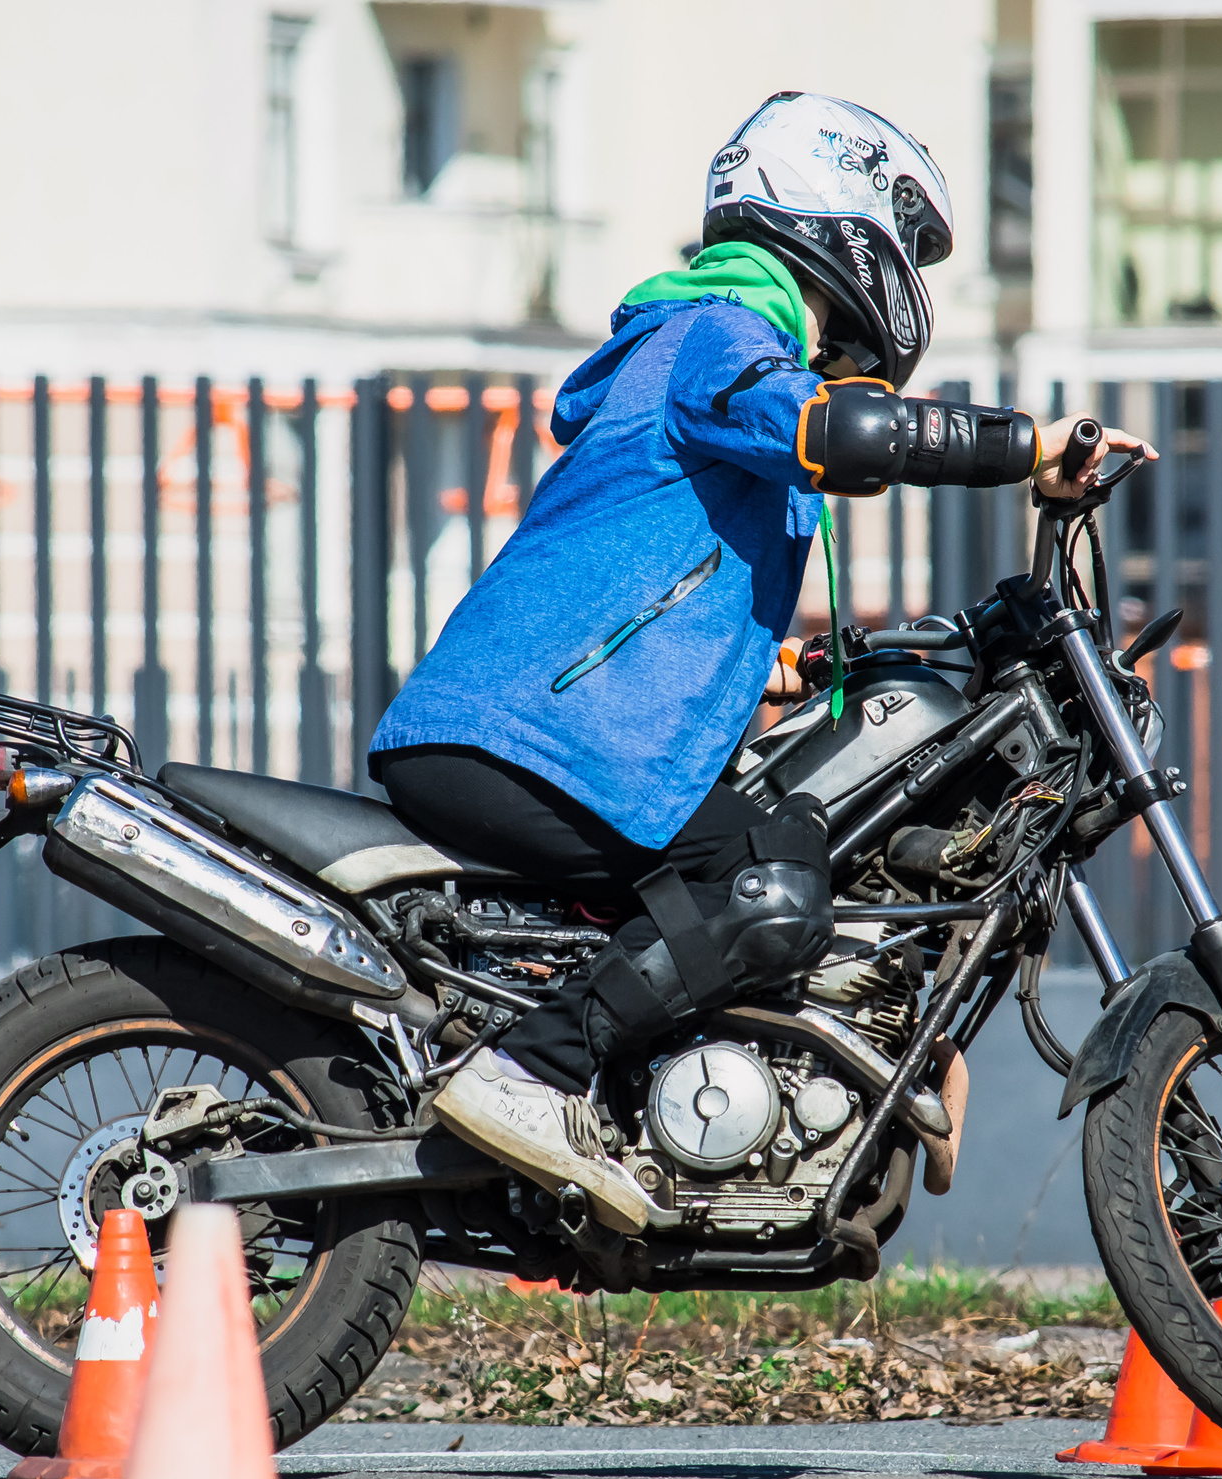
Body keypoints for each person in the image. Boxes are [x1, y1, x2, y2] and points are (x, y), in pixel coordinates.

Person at [369, 92, 1149, 1233]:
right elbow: (843, 432)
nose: (910, 270)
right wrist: (1025, 444)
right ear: (845, 210)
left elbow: (657, 576)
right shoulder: (715, 332)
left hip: (560, 735)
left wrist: (760, 665)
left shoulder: (705, 346)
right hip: (525, 740)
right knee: (772, 879)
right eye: (908, 237)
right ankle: (533, 1073)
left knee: (787, 843)